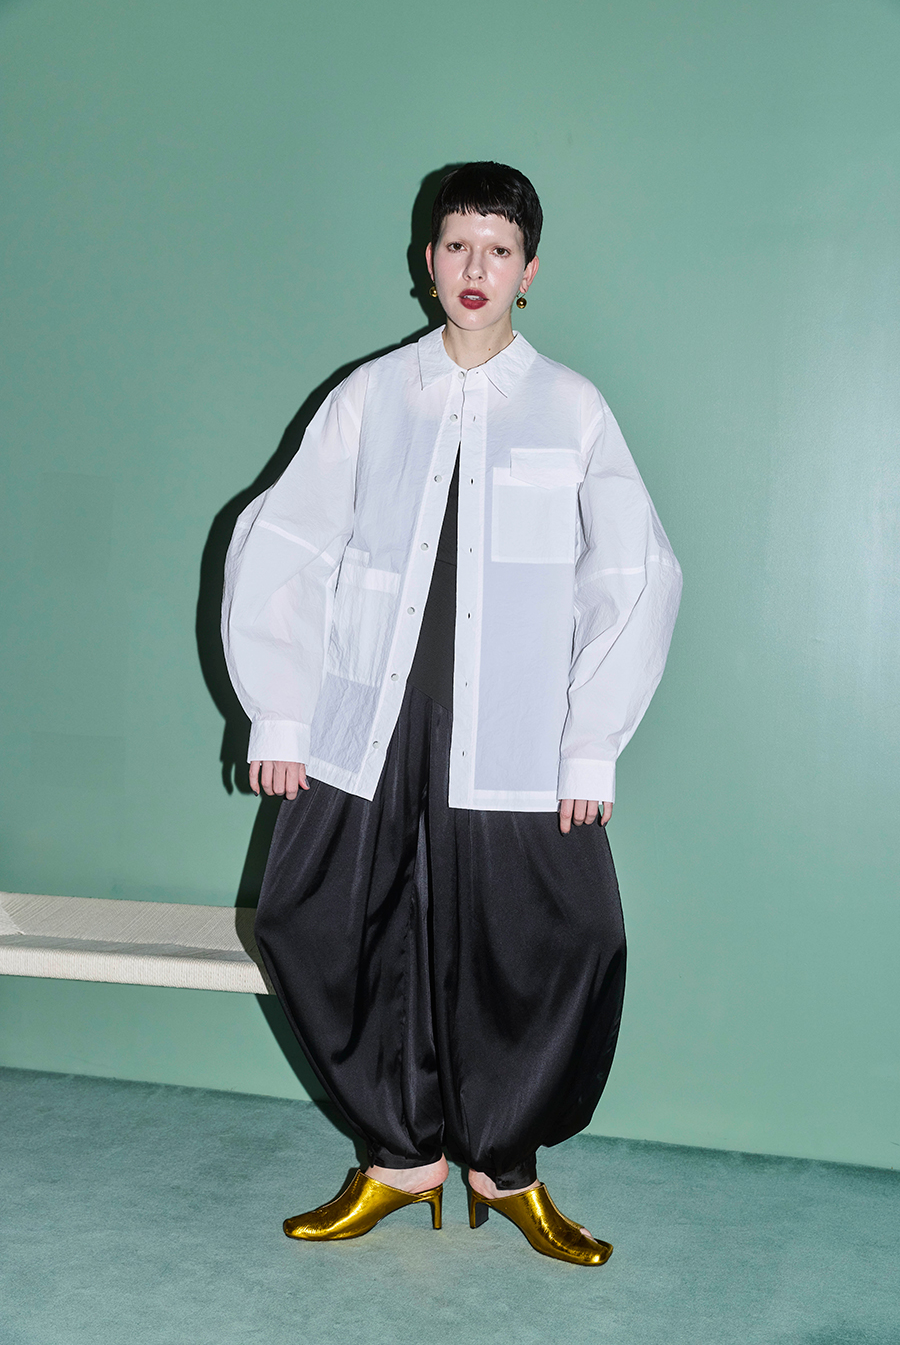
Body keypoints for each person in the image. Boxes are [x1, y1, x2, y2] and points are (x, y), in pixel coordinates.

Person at [221, 162, 682, 1266]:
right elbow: (286, 537)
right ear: (427, 261)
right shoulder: (371, 396)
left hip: (515, 735)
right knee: (317, 921)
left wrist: (591, 741)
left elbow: (634, 573)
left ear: (530, 270)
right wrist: (279, 714)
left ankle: (505, 1168)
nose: (477, 268)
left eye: (499, 250)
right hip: (369, 720)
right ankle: (401, 1158)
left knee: (565, 936)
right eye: (457, 245)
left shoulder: (571, 406)